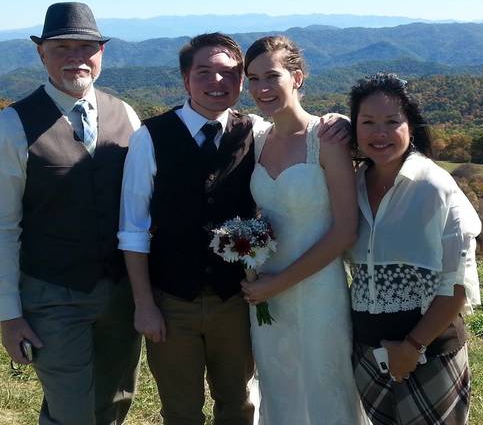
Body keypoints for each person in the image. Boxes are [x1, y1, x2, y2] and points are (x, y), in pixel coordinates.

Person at [118, 32, 349, 425]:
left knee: (240, 403)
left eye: (228, 73)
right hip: (172, 301)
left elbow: (300, 136)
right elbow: (133, 227)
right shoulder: (150, 137)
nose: (217, 82)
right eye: (204, 72)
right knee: (180, 409)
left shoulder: (253, 131)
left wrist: (338, 120)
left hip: (237, 300)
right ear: (185, 79)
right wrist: (144, 305)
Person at [0, 2, 142, 425]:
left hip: (121, 295)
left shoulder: (125, 115)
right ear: (41, 53)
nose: (75, 57)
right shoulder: (12, 125)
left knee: (116, 400)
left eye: (86, 47)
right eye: (62, 47)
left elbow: (141, 207)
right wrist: (9, 315)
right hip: (52, 294)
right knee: (71, 411)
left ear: (101, 54)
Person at [239, 35, 367, 424]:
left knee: (325, 386)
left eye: (272, 76)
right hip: (265, 293)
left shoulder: (325, 139)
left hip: (317, 290)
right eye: (253, 78)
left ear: (297, 77)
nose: (261, 88)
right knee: (279, 384)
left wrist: (278, 283)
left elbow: (345, 230)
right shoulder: (257, 138)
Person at [346, 73, 481, 425]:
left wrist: (412, 347)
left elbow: (456, 284)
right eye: (368, 122)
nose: (380, 133)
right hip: (367, 351)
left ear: (410, 126)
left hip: (430, 350)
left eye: (392, 122)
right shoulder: (352, 185)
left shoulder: (434, 187)